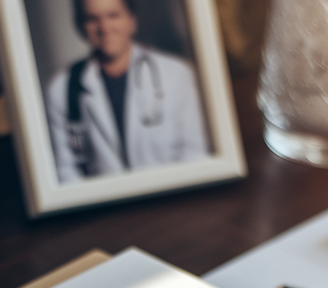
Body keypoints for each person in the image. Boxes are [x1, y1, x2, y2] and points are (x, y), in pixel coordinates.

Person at [45, 0, 210, 183]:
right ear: (80, 25)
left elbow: (194, 154)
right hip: (104, 206)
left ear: (132, 20)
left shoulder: (176, 74)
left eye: (113, 15)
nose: (104, 28)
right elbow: (66, 170)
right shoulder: (61, 90)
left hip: (173, 199)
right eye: (92, 18)